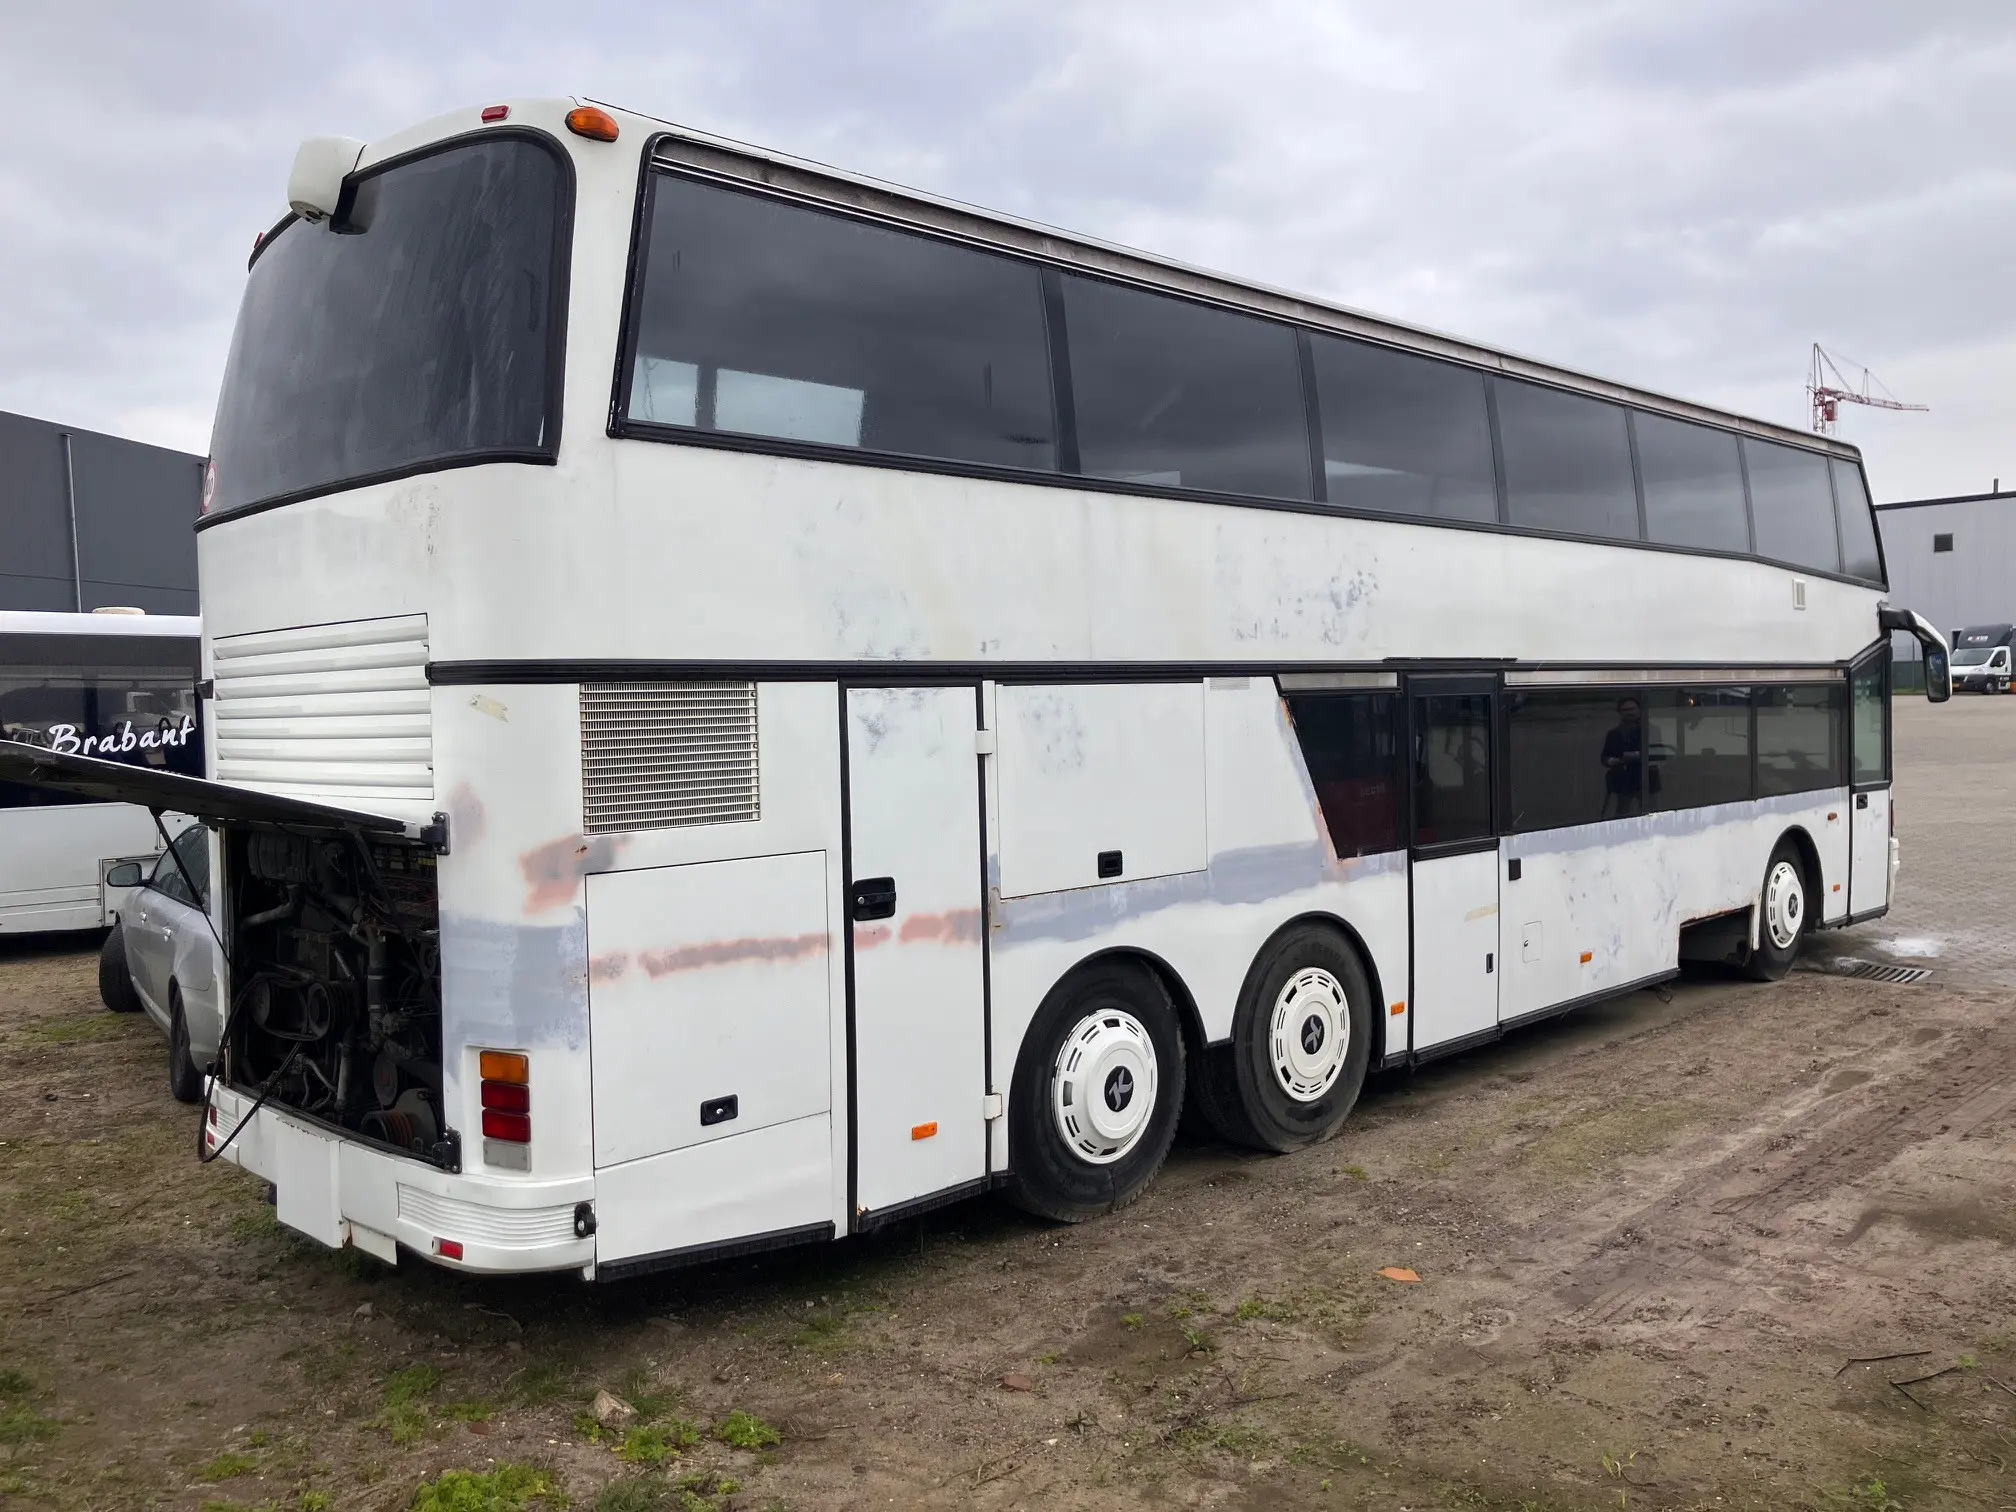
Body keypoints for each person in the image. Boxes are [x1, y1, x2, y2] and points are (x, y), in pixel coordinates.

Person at [1601, 696, 1645, 817]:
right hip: (1623, 782)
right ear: (1619, 713)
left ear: (1639, 710)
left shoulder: (1651, 730)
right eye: (1625, 710)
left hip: (1647, 781)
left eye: (1632, 709)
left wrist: (1638, 755)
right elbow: (1604, 757)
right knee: (1622, 814)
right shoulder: (1613, 734)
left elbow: (1660, 755)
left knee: (1652, 815)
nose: (1629, 712)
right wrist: (1612, 761)